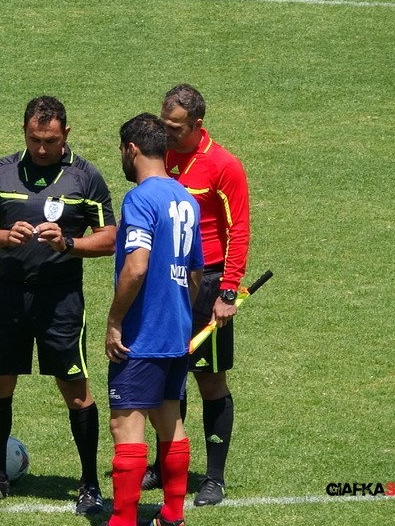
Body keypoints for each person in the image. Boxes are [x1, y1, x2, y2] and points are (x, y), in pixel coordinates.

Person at [0, 96, 116, 515]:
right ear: (24, 132)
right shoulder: (2, 171)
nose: (42, 148)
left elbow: (110, 238)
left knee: (75, 391)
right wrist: (4, 236)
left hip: (60, 299)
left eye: (50, 140)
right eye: (34, 139)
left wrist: (68, 242)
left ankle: (89, 484)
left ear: (66, 133)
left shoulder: (85, 177)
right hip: (7, 296)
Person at [142, 84, 251, 507]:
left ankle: (214, 478)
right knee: (168, 374)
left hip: (208, 284)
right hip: (167, 281)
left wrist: (228, 291)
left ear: (198, 124)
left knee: (209, 379)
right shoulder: (161, 157)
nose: (166, 133)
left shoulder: (224, 166)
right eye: (164, 124)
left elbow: (238, 230)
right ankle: (165, 465)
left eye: (175, 127)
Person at [106, 113, 204, 526]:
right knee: (170, 421)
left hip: (141, 336)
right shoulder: (187, 199)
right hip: (176, 333)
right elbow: (196, 272)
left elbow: (137, 267)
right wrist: (180, 315)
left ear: (131, 149)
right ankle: (172, 515)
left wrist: (115, 320)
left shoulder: (140, 199)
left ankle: (123, 520)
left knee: (125, 427)